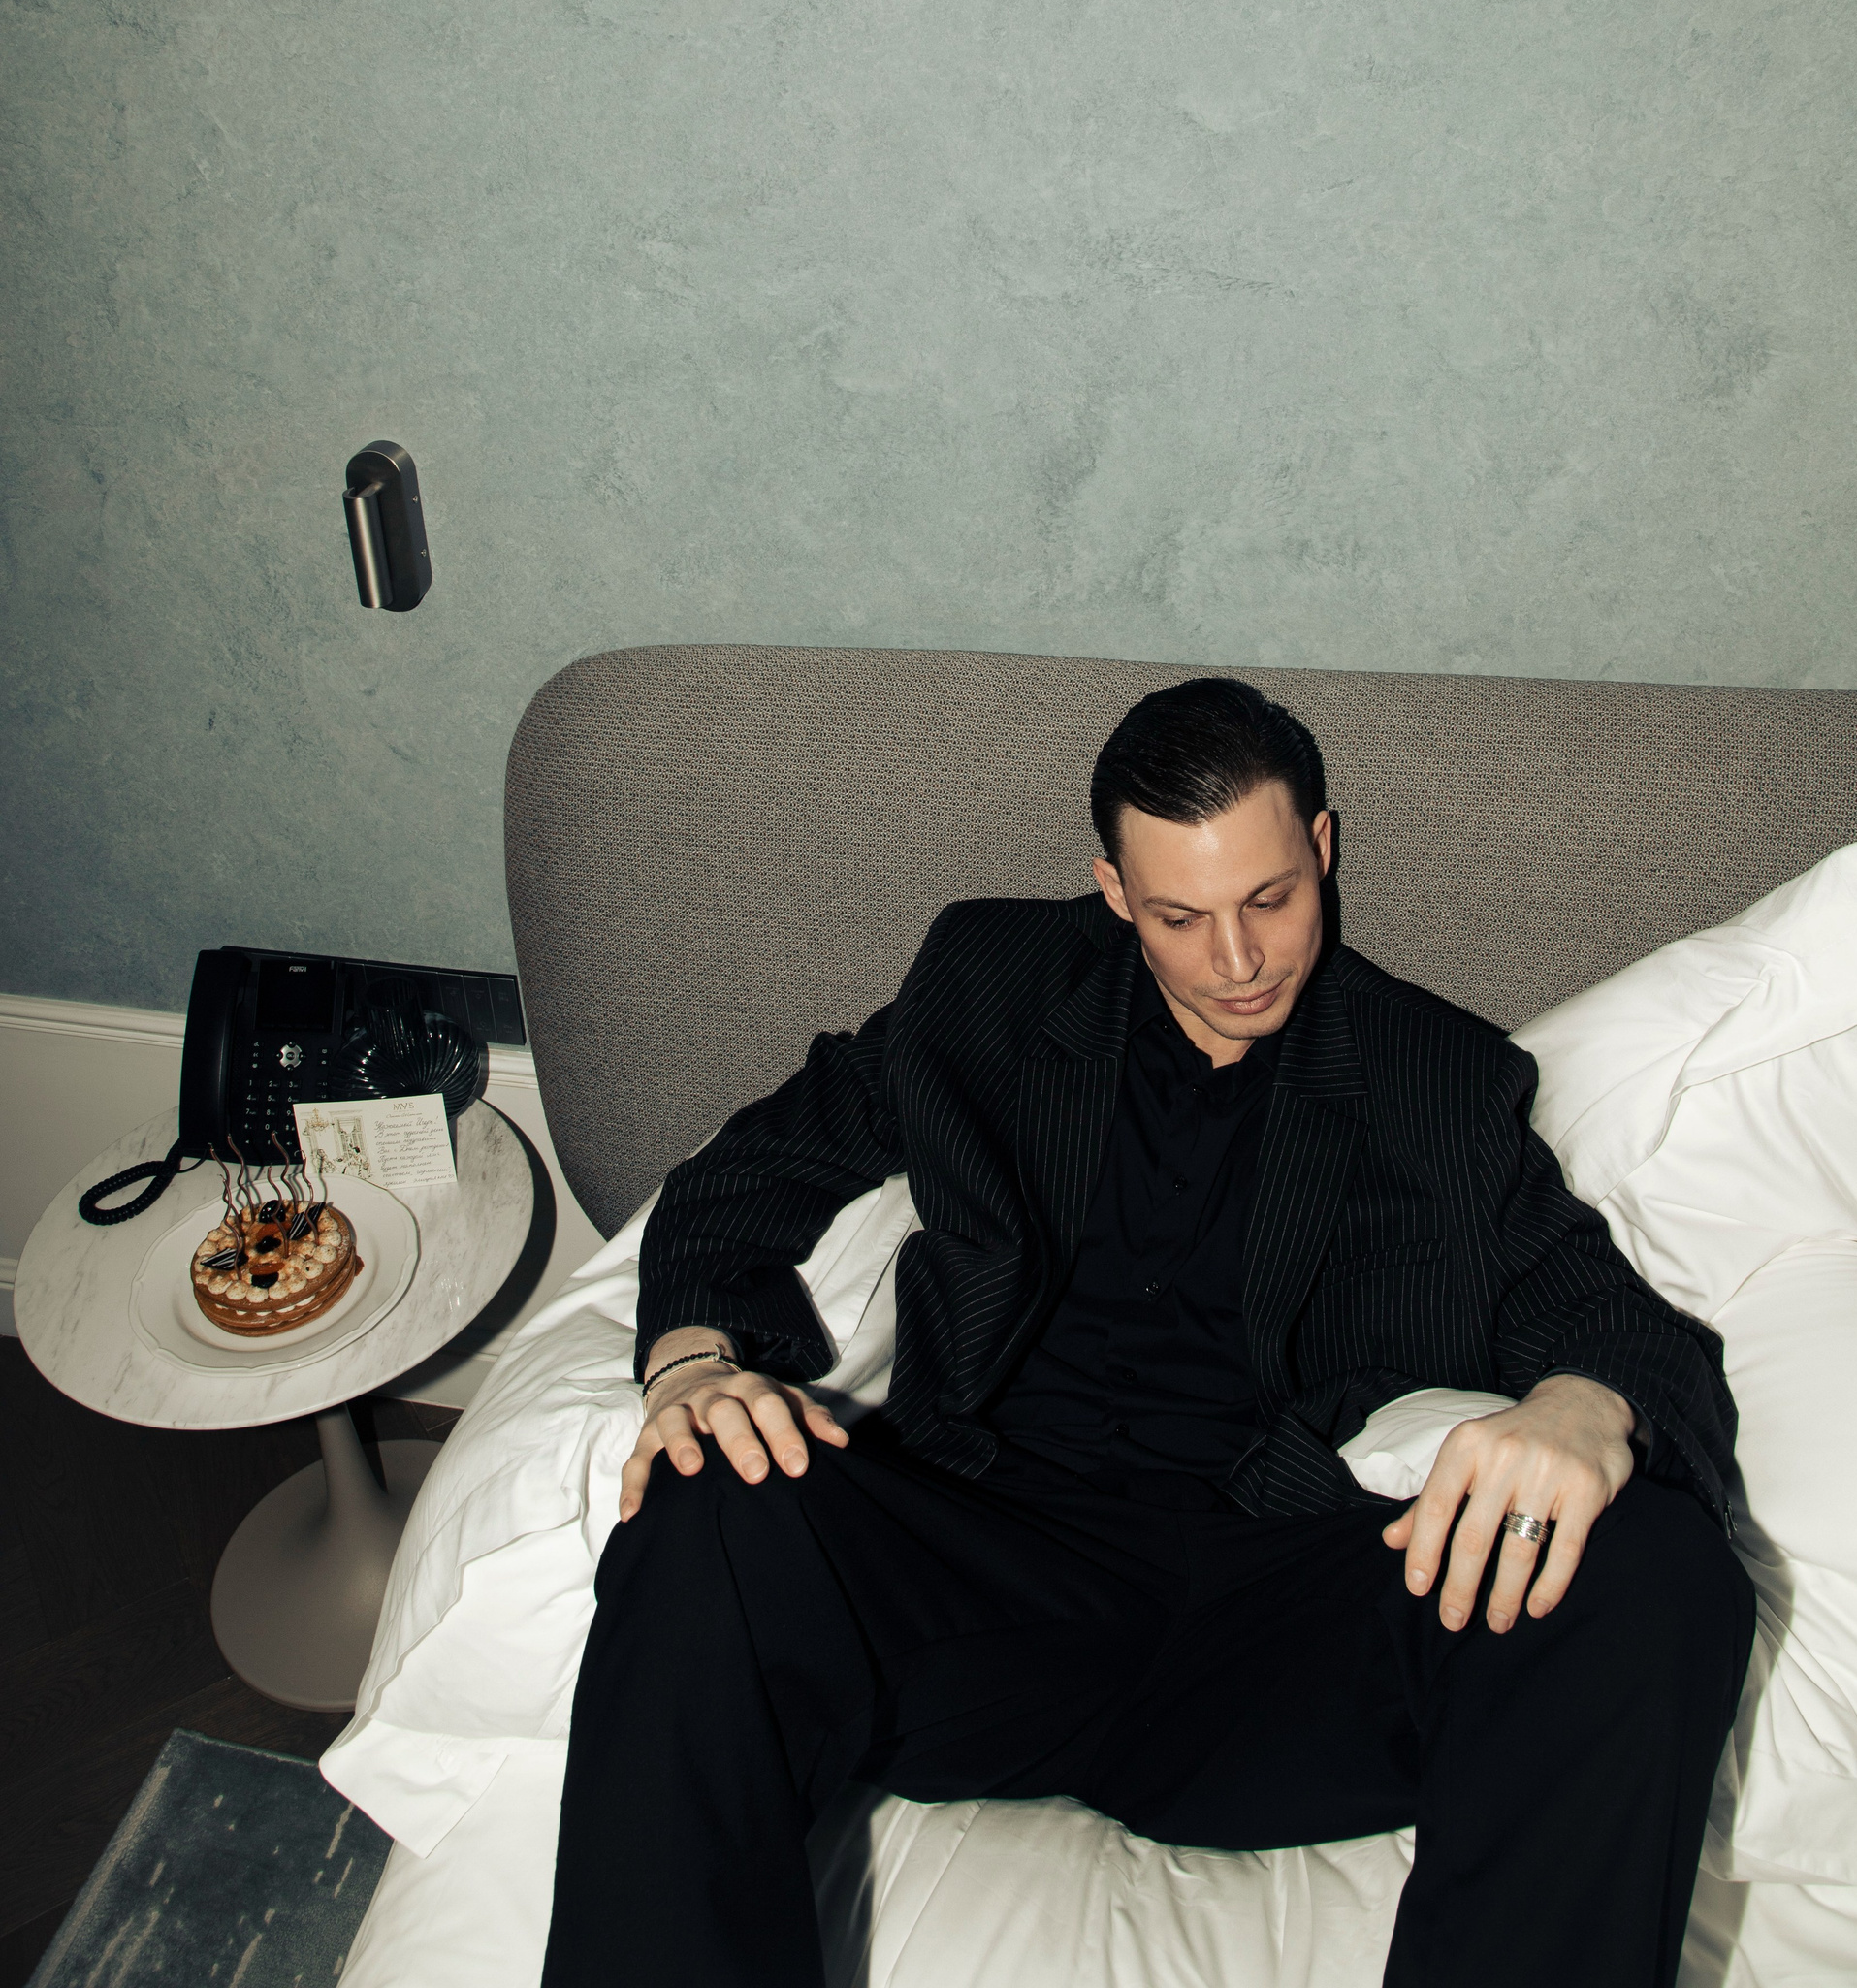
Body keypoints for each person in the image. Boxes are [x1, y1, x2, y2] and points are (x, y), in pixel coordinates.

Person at [541, 678, 1753, 1988]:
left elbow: (1606, 1315)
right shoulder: (991, 985)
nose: (1238, 961)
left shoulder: (1436, 1080)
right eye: (1182, 917)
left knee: (1651, 1565)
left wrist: (1580, 1407)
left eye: (1270, 900)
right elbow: (750, 1172)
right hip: (983, 1583)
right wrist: (694, 1364)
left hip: (1274, 1626)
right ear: (1115, 892)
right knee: (711, 1491)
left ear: (1322, 847)